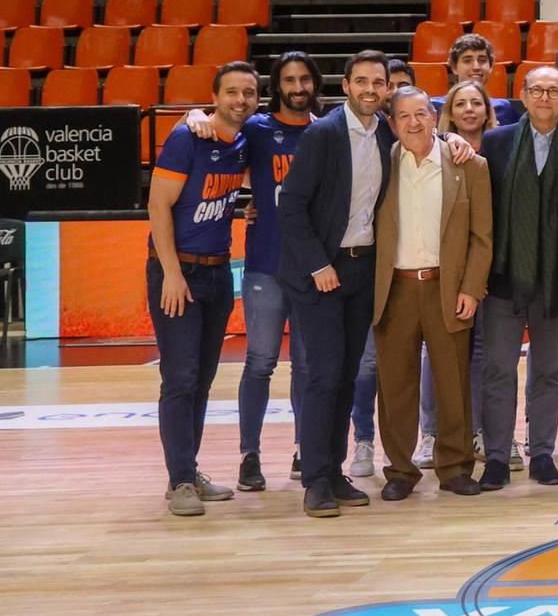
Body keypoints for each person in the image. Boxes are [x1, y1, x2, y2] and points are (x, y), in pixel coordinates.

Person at [278, 50, 396, 518]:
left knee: (347, 376)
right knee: (324, 376)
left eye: (378, 82)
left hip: (361, 270)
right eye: (361, 80)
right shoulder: (322, 134)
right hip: (320, 273)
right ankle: (315, 480)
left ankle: (334, 469)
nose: (370, 89)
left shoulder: (385, 132)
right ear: (345, 85)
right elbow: (291, 206)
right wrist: (316, 265)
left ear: (387, 88)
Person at [475, 65, 558, 490]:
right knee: (497, 369)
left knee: (548, 370)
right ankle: (496, 456)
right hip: (503, 275)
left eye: (554, 90)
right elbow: (483, 212)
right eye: (537, 90)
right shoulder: (496, 142)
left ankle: (542, 453)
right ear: (523, 96)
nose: (545, 97)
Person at [370, 87, 493, 501]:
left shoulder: (469, 165)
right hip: (395, 289)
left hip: (447, 287)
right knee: (396, 386)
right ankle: (400, 470)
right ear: (392, 124)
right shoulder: (380, 164)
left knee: (453, 383)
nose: (413, 123)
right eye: (403, 116)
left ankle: (455, 466)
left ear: (435, 116)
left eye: (421, 113)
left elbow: (482, 237)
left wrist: (472, 289)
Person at [148, 61, 257, 516]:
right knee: (180, 378)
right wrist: (171, 272)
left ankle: (189, 470)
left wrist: (251, 211)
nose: (240, 99)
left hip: (217, 274)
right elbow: (158, 205)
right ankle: (179, 483)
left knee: (203, 379)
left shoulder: (243, 144)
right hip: (179, 274)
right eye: (231, 91)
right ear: (215, 98)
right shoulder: (186, 138)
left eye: (248, 92)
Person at [235, 52, 316, 492]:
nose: (298, 86)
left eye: (304, 79)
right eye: (289, 79)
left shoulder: (326, 132)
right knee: (260, 363)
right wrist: (194, 117)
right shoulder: (257, 130)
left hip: (311, 269)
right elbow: (219, 145)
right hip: (265, 264)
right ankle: (250, 455)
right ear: (277, 85)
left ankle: (305, 450)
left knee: (305, 365)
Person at [418, 79, 497, 469]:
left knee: (483, 352)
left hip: (489, 265)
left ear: (487, 110)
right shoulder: (436, 148)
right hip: (442, 267)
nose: (469, 109)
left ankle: (481, 430)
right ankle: (430, 432)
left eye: (476, 103)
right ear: (449, 111)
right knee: (436, 352)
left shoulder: (499, 148)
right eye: (461, 103)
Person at [437, 32, 520, 124]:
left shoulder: (504, 110)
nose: (476, 67)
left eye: (482, 60)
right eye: (467, 61)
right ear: (454, 67)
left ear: (491, 66)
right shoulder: (435, 107)